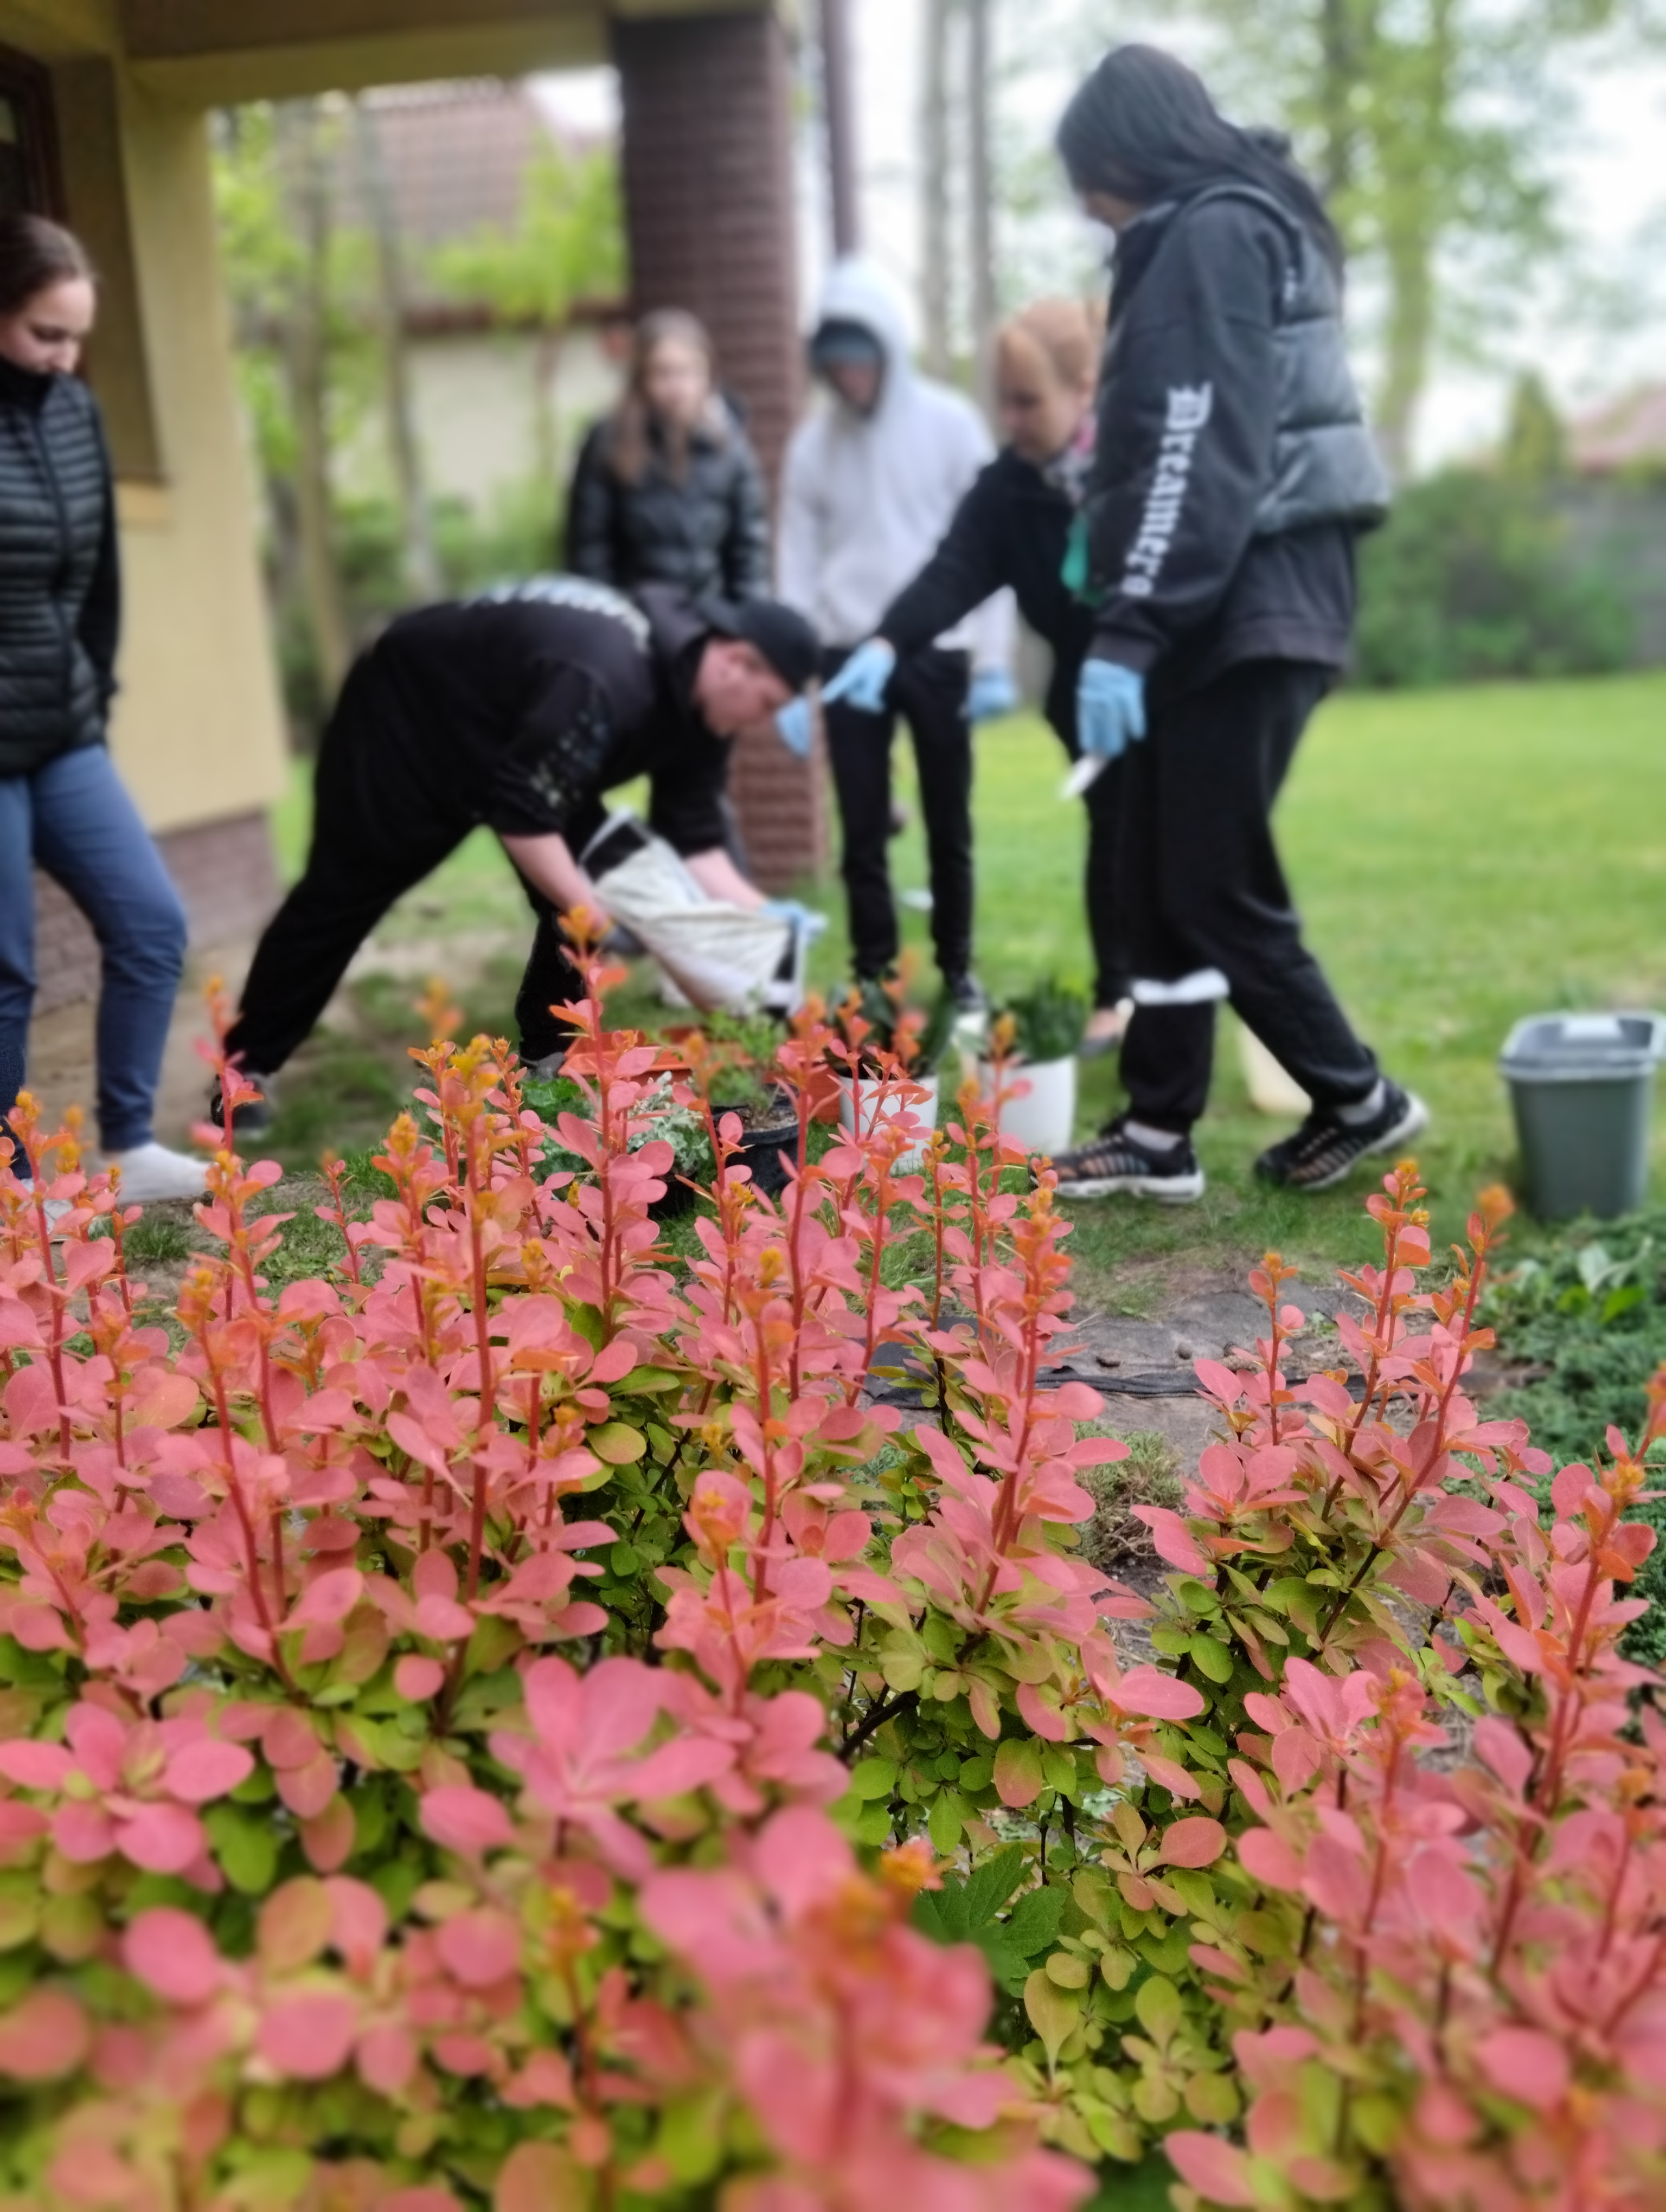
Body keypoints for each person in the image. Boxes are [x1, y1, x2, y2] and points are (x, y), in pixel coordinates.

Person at [1045, 44, 1424, 1202]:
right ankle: (1157, 1134)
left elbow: (1192, 451)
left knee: (1209, 875)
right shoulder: (1230, 225)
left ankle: (1358, 1095)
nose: (1092, 216)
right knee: (1159, 868)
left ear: (1122, 156)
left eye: (1089, 187)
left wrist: (1134, 626)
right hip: (1239, 593)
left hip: (1248, 597)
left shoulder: (1209, 234)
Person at [215, 580, 817, 1121]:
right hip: (413, 713)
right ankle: (244, 1069)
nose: (757, 721)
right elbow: (522, 815)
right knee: (344, 889)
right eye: (766, 705)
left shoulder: (702, 711)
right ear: (735, 662)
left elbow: (699, 842)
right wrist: (597, 913)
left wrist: (760, 928)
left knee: (598, 886)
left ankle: (549, 1052)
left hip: (531, 740)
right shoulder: (609, 674)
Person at [823, 298, 1133, 1055]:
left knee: (1176, 849)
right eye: (1006, 403)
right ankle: (1120, 996)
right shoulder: (1010, 489)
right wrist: (886, 643)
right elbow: (954, 570)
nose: (1013, 421)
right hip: (1083, 699)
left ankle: (1178, 1002)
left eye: (1030, 402)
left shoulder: (1141, 466)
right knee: (1114, 834)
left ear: (1085, 389)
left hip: (1158, 681)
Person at [0, 213, 203, 1203]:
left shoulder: (73, 413)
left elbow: (101, 580)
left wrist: (98, 692)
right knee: (7, 972)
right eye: (46, 333)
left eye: (77, 336)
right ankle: (11, 1186)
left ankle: (126, 1151)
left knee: (152, 924)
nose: (66, 356)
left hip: (63, 729)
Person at [776, 258, 1015, 1013]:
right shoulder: (813, 445)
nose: (849, 376)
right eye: (835, 363)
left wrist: (993, 660)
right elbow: (796, 557)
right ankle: (874, 973)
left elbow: (990, 548)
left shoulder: (951, 426)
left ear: (888, 347)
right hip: (847, 658)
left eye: (861, 357)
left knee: (950, 820)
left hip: (936, 652)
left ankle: (957, 967)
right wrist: (792, 669)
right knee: (862, 827)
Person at [565, 309, 770, 605]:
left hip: (709, 620)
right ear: (641, 377)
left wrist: (747, 629)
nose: (678, 387)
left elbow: (749, 554)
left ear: (707, 376)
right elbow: (589, 551)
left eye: (688, 372)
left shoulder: (731, 449)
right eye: (663, 372)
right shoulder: (609, 443)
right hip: (632, 620)